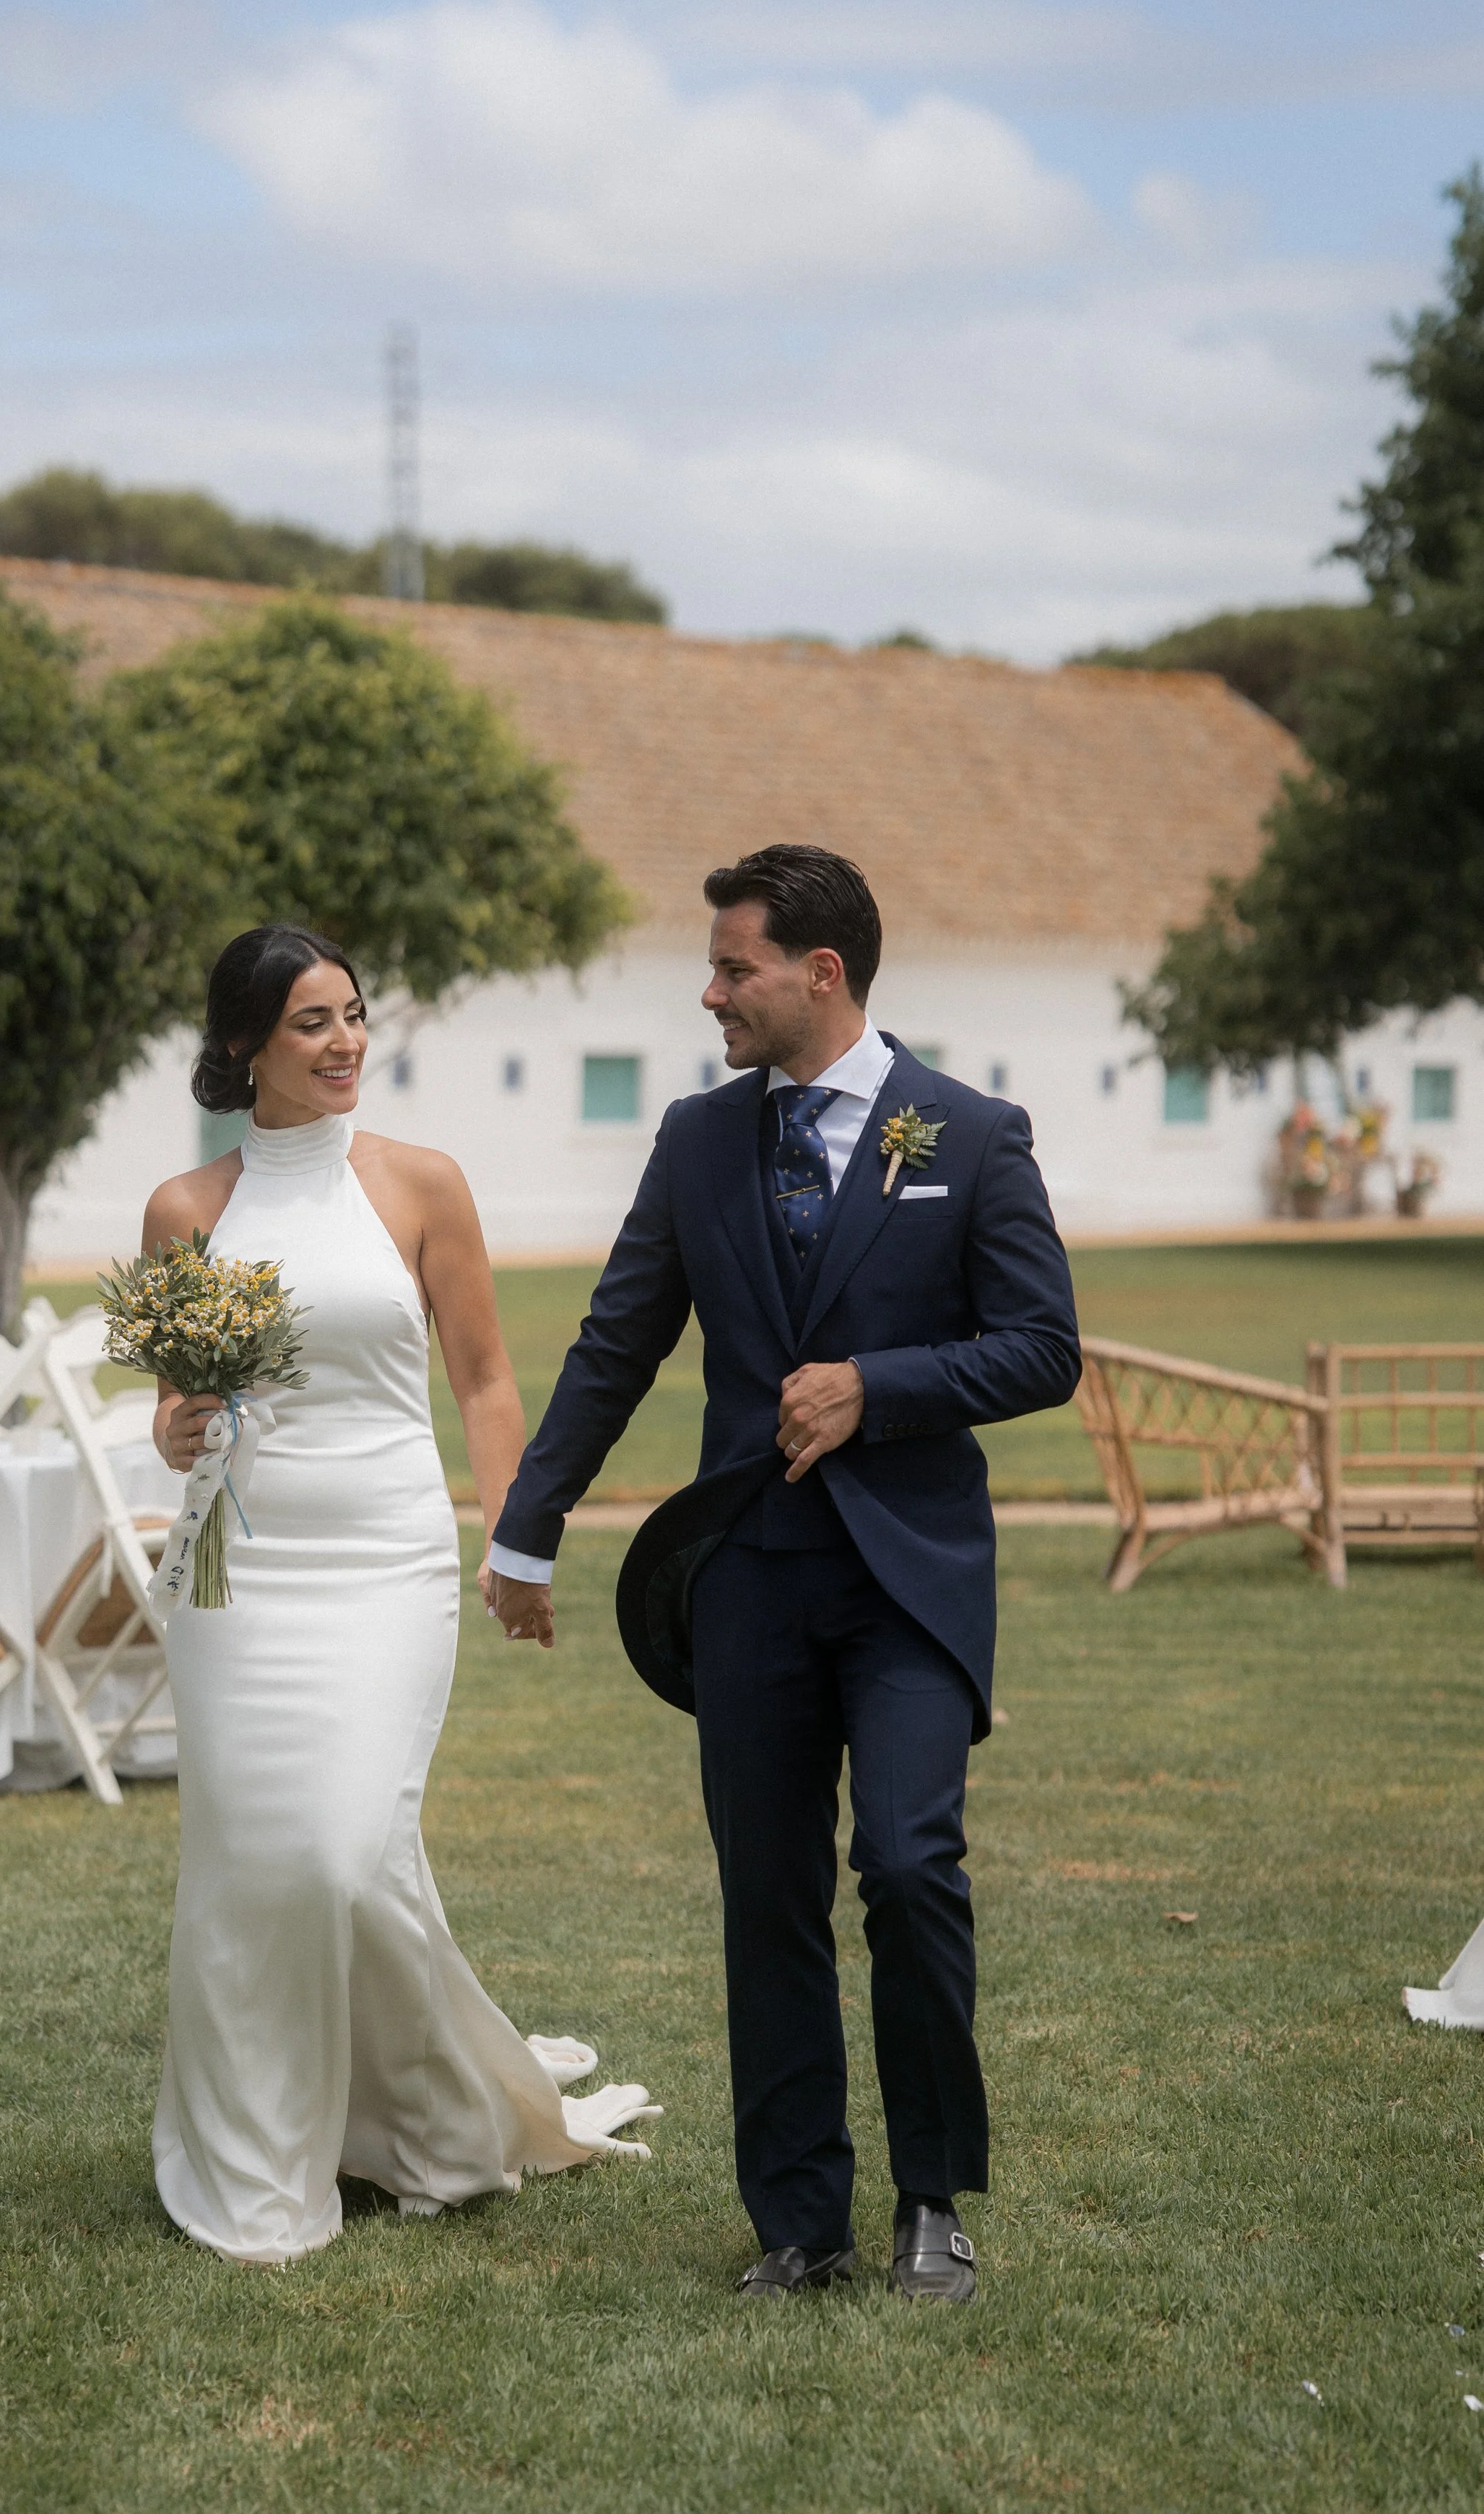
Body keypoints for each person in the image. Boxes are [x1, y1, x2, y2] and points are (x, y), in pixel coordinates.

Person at [484, 845, 1080, 2300]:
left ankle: (931, 2199)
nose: (710, 993)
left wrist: (876, 1384)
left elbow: (1042, 1347)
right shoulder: (693, 1142)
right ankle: (798, 2222)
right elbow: (617, 1340)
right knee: (765, 1893)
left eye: (732, 967)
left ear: (820, 973)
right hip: (745, 1576)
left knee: (907, 1864)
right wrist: (525, 1523)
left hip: (908, 1585)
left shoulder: (969, 1133)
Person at [144, 922, 657, 2266]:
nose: (346, 1042)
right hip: (232, 1578)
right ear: (249, 1042)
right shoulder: (184, 1211)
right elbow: (167, 1419)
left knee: (344, 1850)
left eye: (355, 1015)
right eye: (312, 1022)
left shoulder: (423, 1184)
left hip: (384, 1562)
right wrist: (182, 1426)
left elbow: (485, 1379)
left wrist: (517, 1538)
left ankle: (432, 2120)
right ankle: (261, 2156)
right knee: (258, 1867)